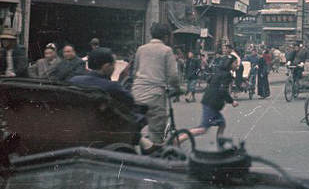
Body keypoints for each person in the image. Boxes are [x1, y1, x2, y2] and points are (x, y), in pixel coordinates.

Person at [131, 23, 180, 151]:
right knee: (157, 131)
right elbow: (173, 76)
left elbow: (134, 71)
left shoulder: (141, 49)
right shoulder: (167, 50)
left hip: (137, 93)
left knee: (137, 125)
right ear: (166, 37)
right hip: (155, 95)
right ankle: (153, 155)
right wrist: (177, 88)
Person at [179, 55, 239, 143]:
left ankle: (220, 143)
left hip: (211, 102)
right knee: (203, 129)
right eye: (235, 63)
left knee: (222, 123)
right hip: (211, 104)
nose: (237, 65)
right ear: (229, 64)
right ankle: (179, 139)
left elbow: (210, 81)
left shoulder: (220, 72)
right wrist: (232, 101)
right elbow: (223, 90)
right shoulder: (226, 75)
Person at [69, 47, 135, 107]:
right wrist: (120, 82)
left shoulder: (74, 80)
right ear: (106, 66)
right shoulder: (112, 86)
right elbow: (130, 101)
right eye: (113, 64)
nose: (114, 67)